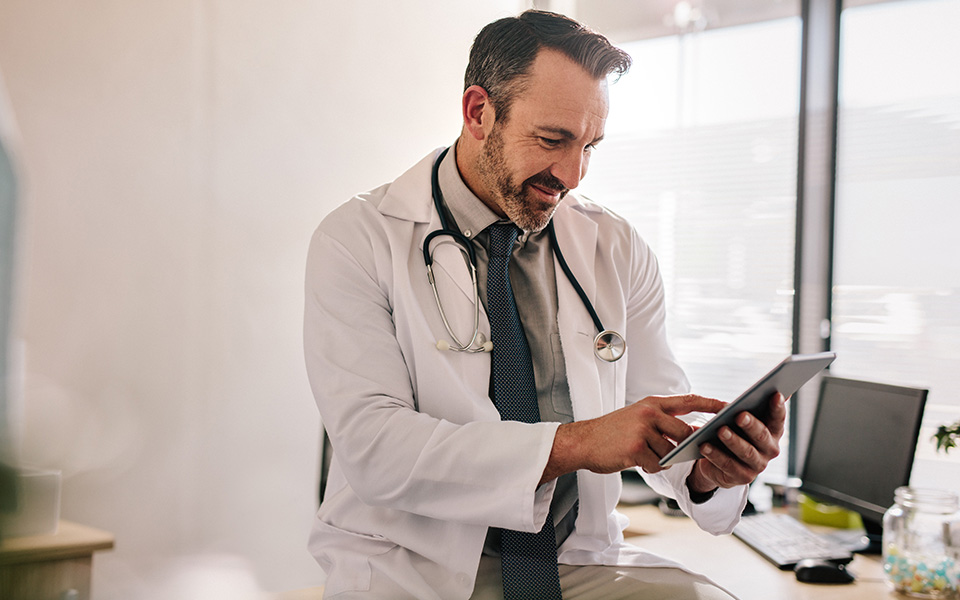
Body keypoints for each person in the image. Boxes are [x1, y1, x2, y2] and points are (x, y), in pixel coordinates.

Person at [303, 10, 784, 600]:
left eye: (590, 146)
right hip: (411, 568)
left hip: (573, 564)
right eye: (553, 140)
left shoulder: (615, 246)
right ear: (479, 112)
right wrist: (576, 443)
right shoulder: (358, 239)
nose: (573, 175)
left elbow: (655, 416)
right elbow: (376, 448)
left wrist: (708, 471)